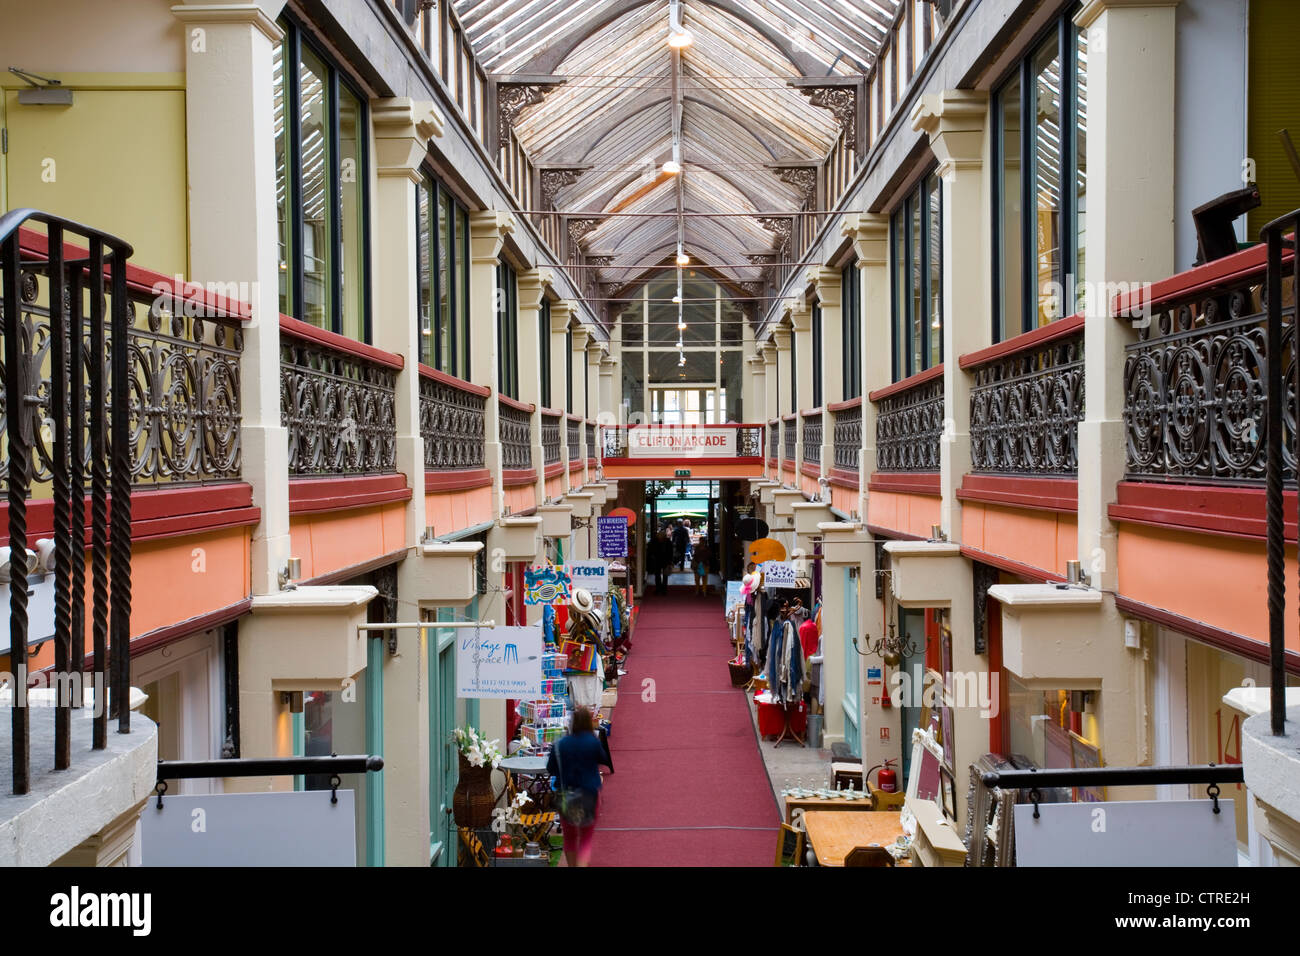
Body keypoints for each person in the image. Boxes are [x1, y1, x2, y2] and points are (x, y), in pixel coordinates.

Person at [546, 706, 613, 867]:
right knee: (585, 838)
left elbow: (551, 768)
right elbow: (604, 759)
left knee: (569, 838)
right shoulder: (593, 742)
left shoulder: (560, 744)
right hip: (589, 794)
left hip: (566, 795)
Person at [649, 528, 673, 595]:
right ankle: (658, 588)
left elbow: (670, 552)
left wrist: (670, 561)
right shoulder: (655, 541)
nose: (660, 538)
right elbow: (652, 550)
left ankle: (664, 589)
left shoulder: (667, 542)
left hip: (665, 560)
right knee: (657, 575)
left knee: (665, 575)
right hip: (658, 560)